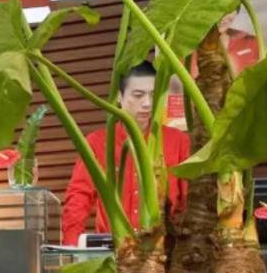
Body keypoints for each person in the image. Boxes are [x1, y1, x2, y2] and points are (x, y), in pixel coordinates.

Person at [61, 60, 191, 246]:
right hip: (114, 250)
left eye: (153, 95)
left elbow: (189, 201)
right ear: (119, 97)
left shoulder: (179, 141)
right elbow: (78, 198)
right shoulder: (97, 142)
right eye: (138, 95)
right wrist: (71, 249)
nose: (147, 103)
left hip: (165, 250)